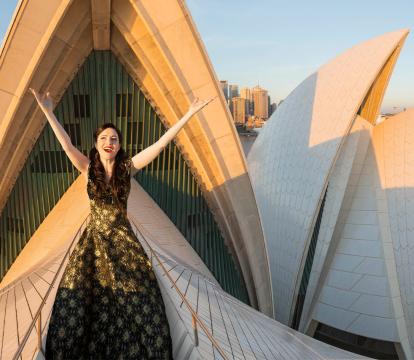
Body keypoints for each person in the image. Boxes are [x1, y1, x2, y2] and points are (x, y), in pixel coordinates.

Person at [29, 88, 215, 359]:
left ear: (119, 145)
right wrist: (48, 111)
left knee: (139, 304)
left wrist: (189, 114)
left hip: (124, 246)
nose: (109, 141)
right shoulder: (86, 168)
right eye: (104, 138)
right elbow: (67, 144)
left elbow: (160, 144)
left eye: (114, 139)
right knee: (77, 303)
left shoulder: (127, 169)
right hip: (92, 246)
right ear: (96, 144)